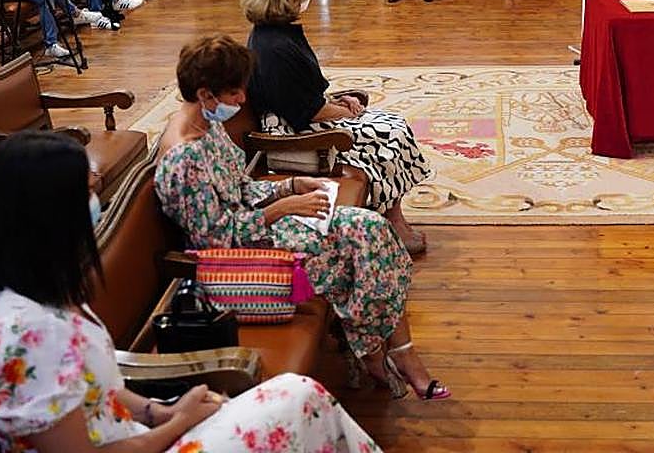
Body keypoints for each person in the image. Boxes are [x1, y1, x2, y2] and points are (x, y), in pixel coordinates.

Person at [0, 131, 385, 452]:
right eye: (87, 192)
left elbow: (98, 388)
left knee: (302, 405)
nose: (97, 199)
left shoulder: (38, 294)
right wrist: (179, 423)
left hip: (140, 434)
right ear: (50, 214)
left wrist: (160, 411)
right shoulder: (26, 334)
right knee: (302, 400)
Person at [156, 36, 449, 401]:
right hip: (239, 262)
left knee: (372, 228)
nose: (243, 99)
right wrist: (283, 208)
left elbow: (240, 189)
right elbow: (215, 240)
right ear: (205, 94)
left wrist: (290, 187)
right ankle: (384, 353)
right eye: (234, 93)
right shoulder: (183, 159)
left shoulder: (206, 125)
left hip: (258, 231)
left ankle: (389, 351)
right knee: (364, 246)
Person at [243, 0, 433, 254]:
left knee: (393, 125)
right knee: (387, 135)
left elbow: (303, 92)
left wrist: (336, 99)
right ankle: (393, 221)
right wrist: (344, 112)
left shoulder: (278, 32)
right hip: (293, 134)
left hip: (302, 118)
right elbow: (308, 111)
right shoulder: (274, 48)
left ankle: (394, 216)